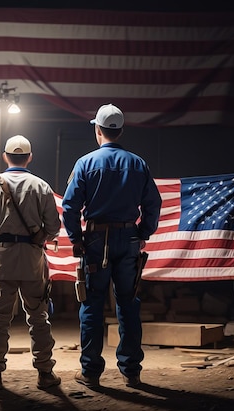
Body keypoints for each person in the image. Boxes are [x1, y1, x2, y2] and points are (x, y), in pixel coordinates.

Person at [61, 104, 162, 388]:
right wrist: (143, 231)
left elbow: (70, 207)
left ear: (98, 130)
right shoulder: (138, 163)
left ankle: (91, 372)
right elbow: (153, 203)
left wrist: (76, 239)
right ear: (120, 131)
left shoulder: (86, 163)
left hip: (96, 240)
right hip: (129, 239)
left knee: (92, 304)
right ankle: (131, 371)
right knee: (128, 303)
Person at [0, 135, 62, 391]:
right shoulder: (41, 186)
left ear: (5, 156)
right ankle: (45, 372)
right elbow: (54, 228)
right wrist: (38, 238)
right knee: (39, 317)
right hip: (33, 259)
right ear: (30, 158)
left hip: (2, 257)